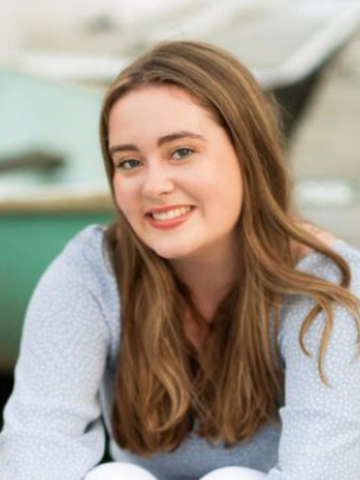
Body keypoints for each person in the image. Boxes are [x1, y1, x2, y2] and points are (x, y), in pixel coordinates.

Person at [0, 40, 359, 480]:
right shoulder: (92, 272)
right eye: (129, 162)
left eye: (182, 152)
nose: (153, 185)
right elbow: (36, 446)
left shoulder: (327, 286)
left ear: (248, 155)